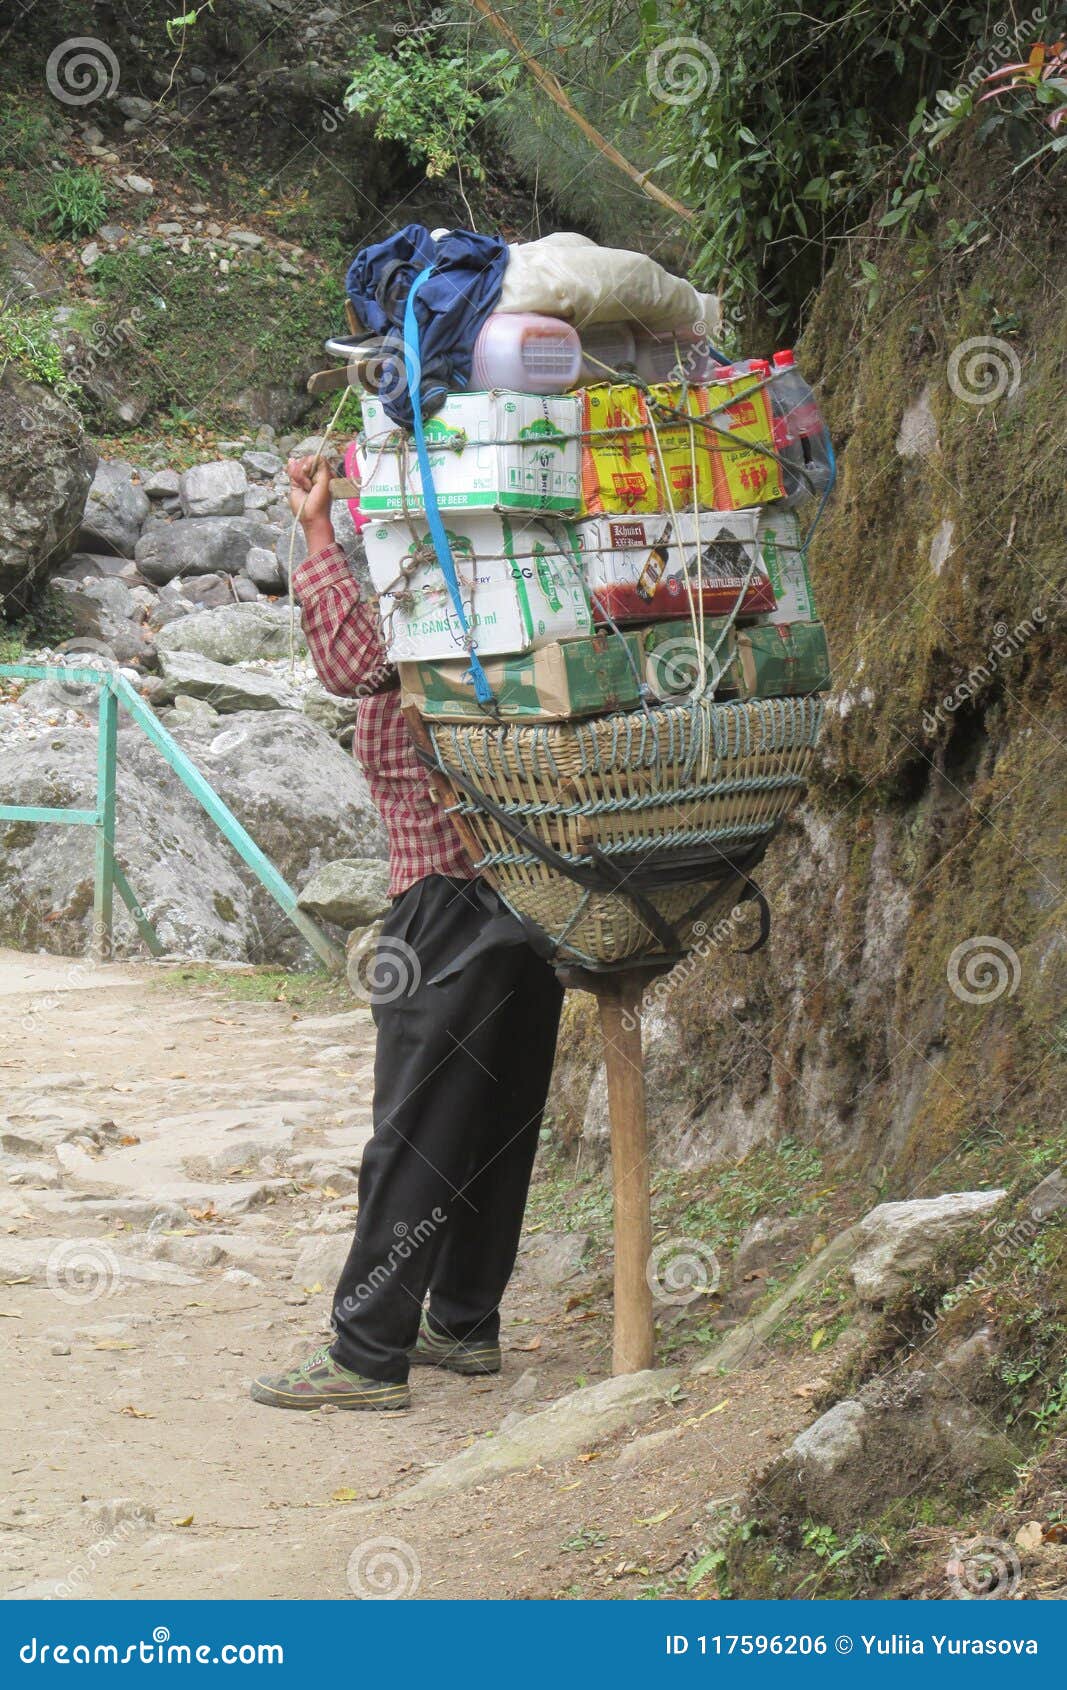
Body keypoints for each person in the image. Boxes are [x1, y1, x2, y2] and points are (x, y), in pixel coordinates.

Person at [251, 456, 563, 1412]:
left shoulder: (430, 583)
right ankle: (463, 1323)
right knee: (496, 1116)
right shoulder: (529, 576)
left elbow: (352, 665)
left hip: (443, 896)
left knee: (414, 1129)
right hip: (541, 886)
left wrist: (315, 533)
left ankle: (365, 1354)